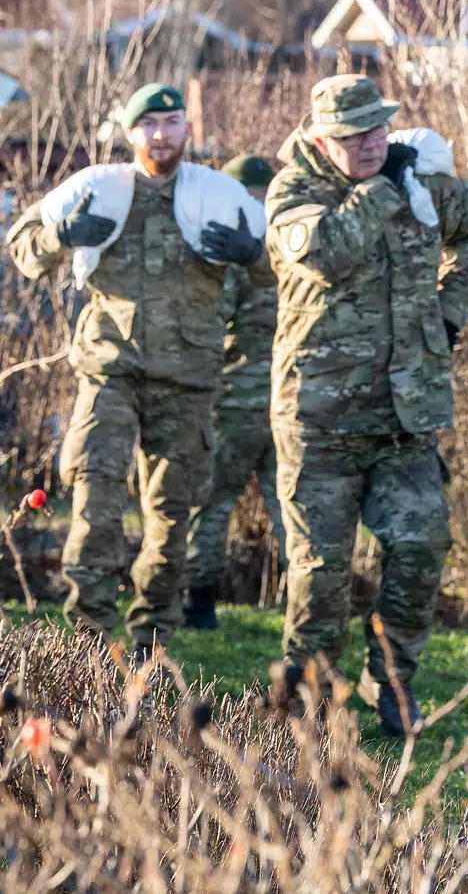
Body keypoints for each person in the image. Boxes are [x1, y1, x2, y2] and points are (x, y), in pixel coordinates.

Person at [265, 75, 468, 736]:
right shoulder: (294, 192)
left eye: (378, 129)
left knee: (423, 546)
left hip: (405, 415)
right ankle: (308, 690)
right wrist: (382, 189)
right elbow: (328, 253)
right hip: (320, 421)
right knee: (320, 575)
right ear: (320, 139)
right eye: (351, 136)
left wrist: (449, 313)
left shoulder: (418, 184)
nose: (370, 144)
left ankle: (391, 679)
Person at [5, 84, 274, 656]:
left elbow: (288, 264)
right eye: (149, 124)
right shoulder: (100, 190)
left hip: (187, 381)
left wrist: (252, 253)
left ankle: (150, 646)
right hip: (111, 373)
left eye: (172, 122)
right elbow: (23, 247)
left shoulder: (217, 197)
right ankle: (87, 648)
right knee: (96, 503)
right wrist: (61, 236)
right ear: (131, 133)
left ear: (186, 129)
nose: (161, 134)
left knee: (172, 521)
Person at [182, 155, 287, 629]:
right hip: (293, 398)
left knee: (212, 505)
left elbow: (207, 319)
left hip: (238, 397)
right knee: (294, 508)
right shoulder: (295, 241)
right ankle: (307, 612)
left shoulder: (228, 245)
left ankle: (198, 606)